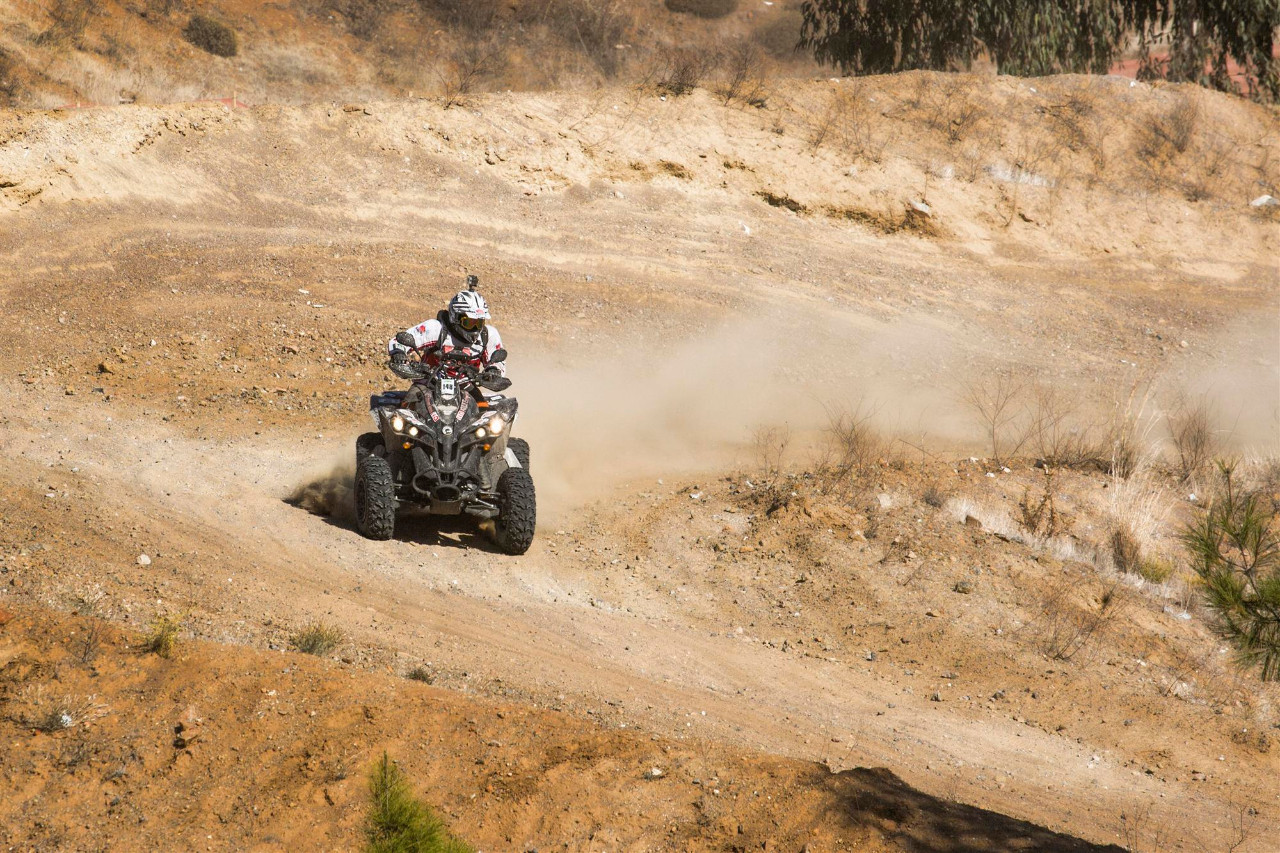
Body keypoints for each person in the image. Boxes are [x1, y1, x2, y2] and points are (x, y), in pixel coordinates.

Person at [388, 275, 507, 411]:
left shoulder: (488, 335)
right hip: (428, 383)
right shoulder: (435, 328)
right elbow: (399, 341)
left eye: (479, 323)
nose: (475, 329)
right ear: (455, 317)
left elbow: (498, 360)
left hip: (466, 385)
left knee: (485, 414)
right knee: (407, 409)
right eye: (469, 323)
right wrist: (398, 354)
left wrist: (493, 371)